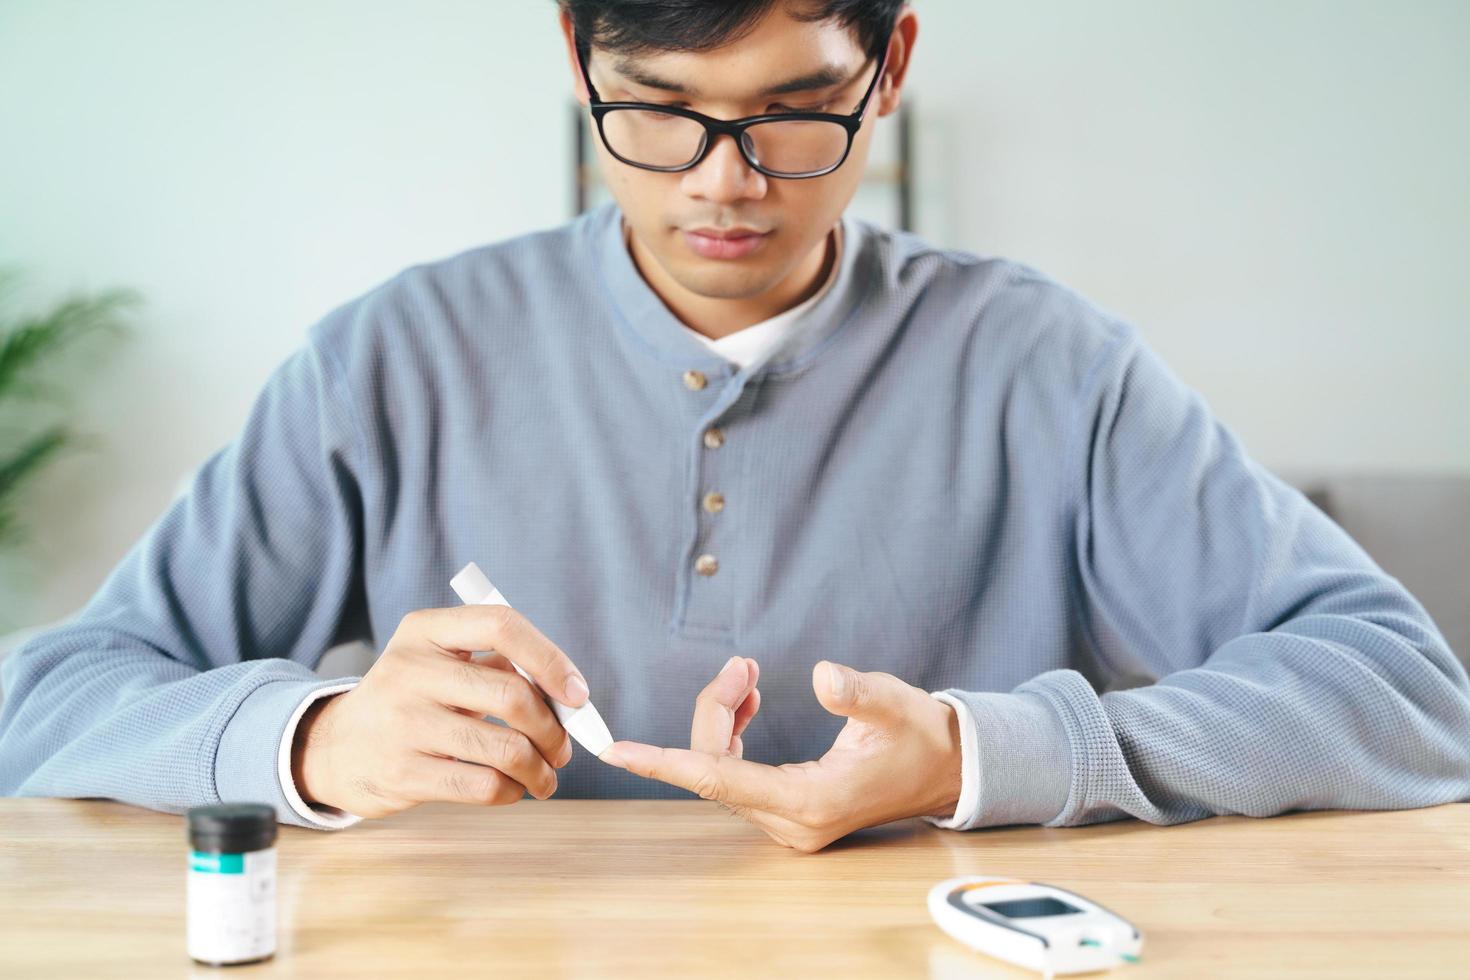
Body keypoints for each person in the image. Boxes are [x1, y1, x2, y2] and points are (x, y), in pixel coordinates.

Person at [2, 0, 1467, 854]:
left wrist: (978, 754)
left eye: (792, 114)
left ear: (890, 66)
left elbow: (1404, 691)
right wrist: (312, 740)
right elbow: (46, 699)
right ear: (576, 58)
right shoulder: (394, 353)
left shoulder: (1041, 359)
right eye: (656, 110)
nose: (723, 182)